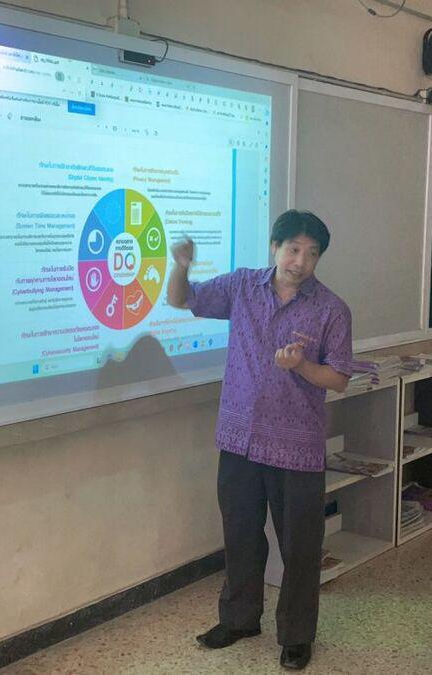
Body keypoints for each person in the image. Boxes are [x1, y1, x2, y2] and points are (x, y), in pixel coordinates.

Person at [167, 210, 352, 670]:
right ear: (275, 247)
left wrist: (302, 366)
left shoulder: (331, 309)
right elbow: (182, 299)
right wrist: (180, 265)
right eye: (293, 249)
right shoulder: (242, 286)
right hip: (240, 440)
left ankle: (296, 636)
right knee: (241, 536)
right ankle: (239, 619)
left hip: (297, 446)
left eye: (312, 253)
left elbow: (339, 377)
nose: (300, 261)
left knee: (300, 547)